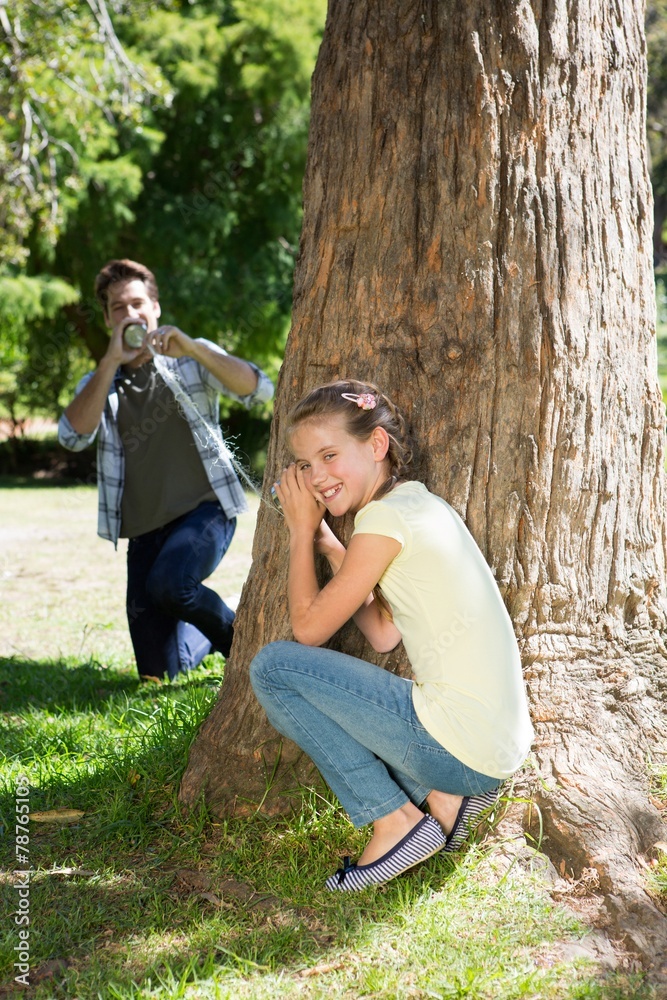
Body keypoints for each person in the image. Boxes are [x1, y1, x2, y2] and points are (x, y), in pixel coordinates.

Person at [250, 379, 534, 891]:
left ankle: (393, 818)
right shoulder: (417, 506)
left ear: (377, 445)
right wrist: (325, 540)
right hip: (492, 751)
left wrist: (298, 532)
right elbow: (382, 633)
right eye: (306, 465)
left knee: (274, 668)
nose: (317, 477)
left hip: (457, 747)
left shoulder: (382, 519)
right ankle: (444, 795)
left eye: (330, 454)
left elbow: (308, 629)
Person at [58, 259, 274, 681]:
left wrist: (193, 346)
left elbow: (259, 389)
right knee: (157, 674)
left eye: (137, 302)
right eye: (118, 307)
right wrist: (109, 362)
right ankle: (207, 637)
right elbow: (71, 435)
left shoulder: (192, 358)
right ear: (107, 319)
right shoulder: (101, 380)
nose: (130, 313)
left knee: (171, 585)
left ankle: (242, 645)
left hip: (205, 511)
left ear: (155, 307)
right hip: (144, 534)